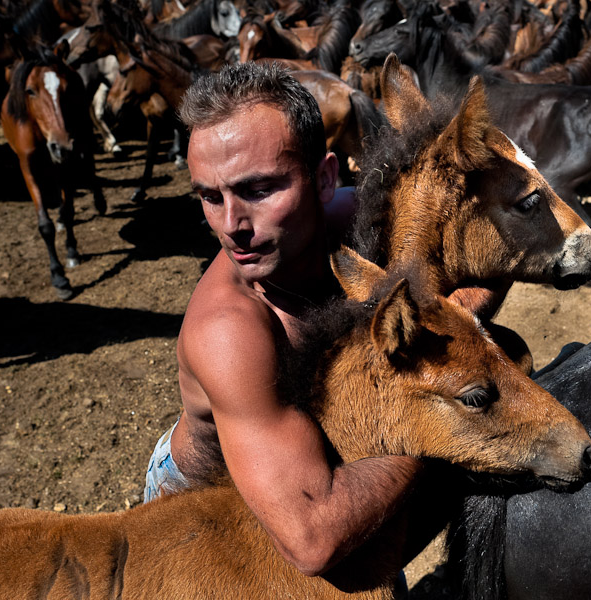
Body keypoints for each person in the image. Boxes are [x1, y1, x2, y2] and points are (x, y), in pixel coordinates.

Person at [143, 61, 424, 582]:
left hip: (298, 456)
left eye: (259, 189)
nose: (232, 226)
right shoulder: (229, 328)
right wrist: (436, 425)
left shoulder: (358, 222)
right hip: (205, 495)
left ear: (324, 179)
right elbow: (313, 535)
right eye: (210, 196)